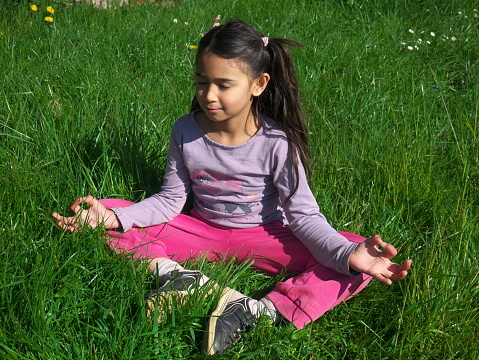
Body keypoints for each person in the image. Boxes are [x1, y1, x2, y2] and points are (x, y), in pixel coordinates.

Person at [52, 17, 411, 356]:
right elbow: (170, 200)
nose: (209, 95)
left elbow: (304, 217)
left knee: (352, 259)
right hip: (200, 232)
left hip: (265, 237)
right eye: (201, 81)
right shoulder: (185, 130)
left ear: (259, 84)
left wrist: (347, 254)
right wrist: (113, 216)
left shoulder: (278, 143)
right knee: (111, 212)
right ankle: (184, 281)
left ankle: (258, 311)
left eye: (224, 85)